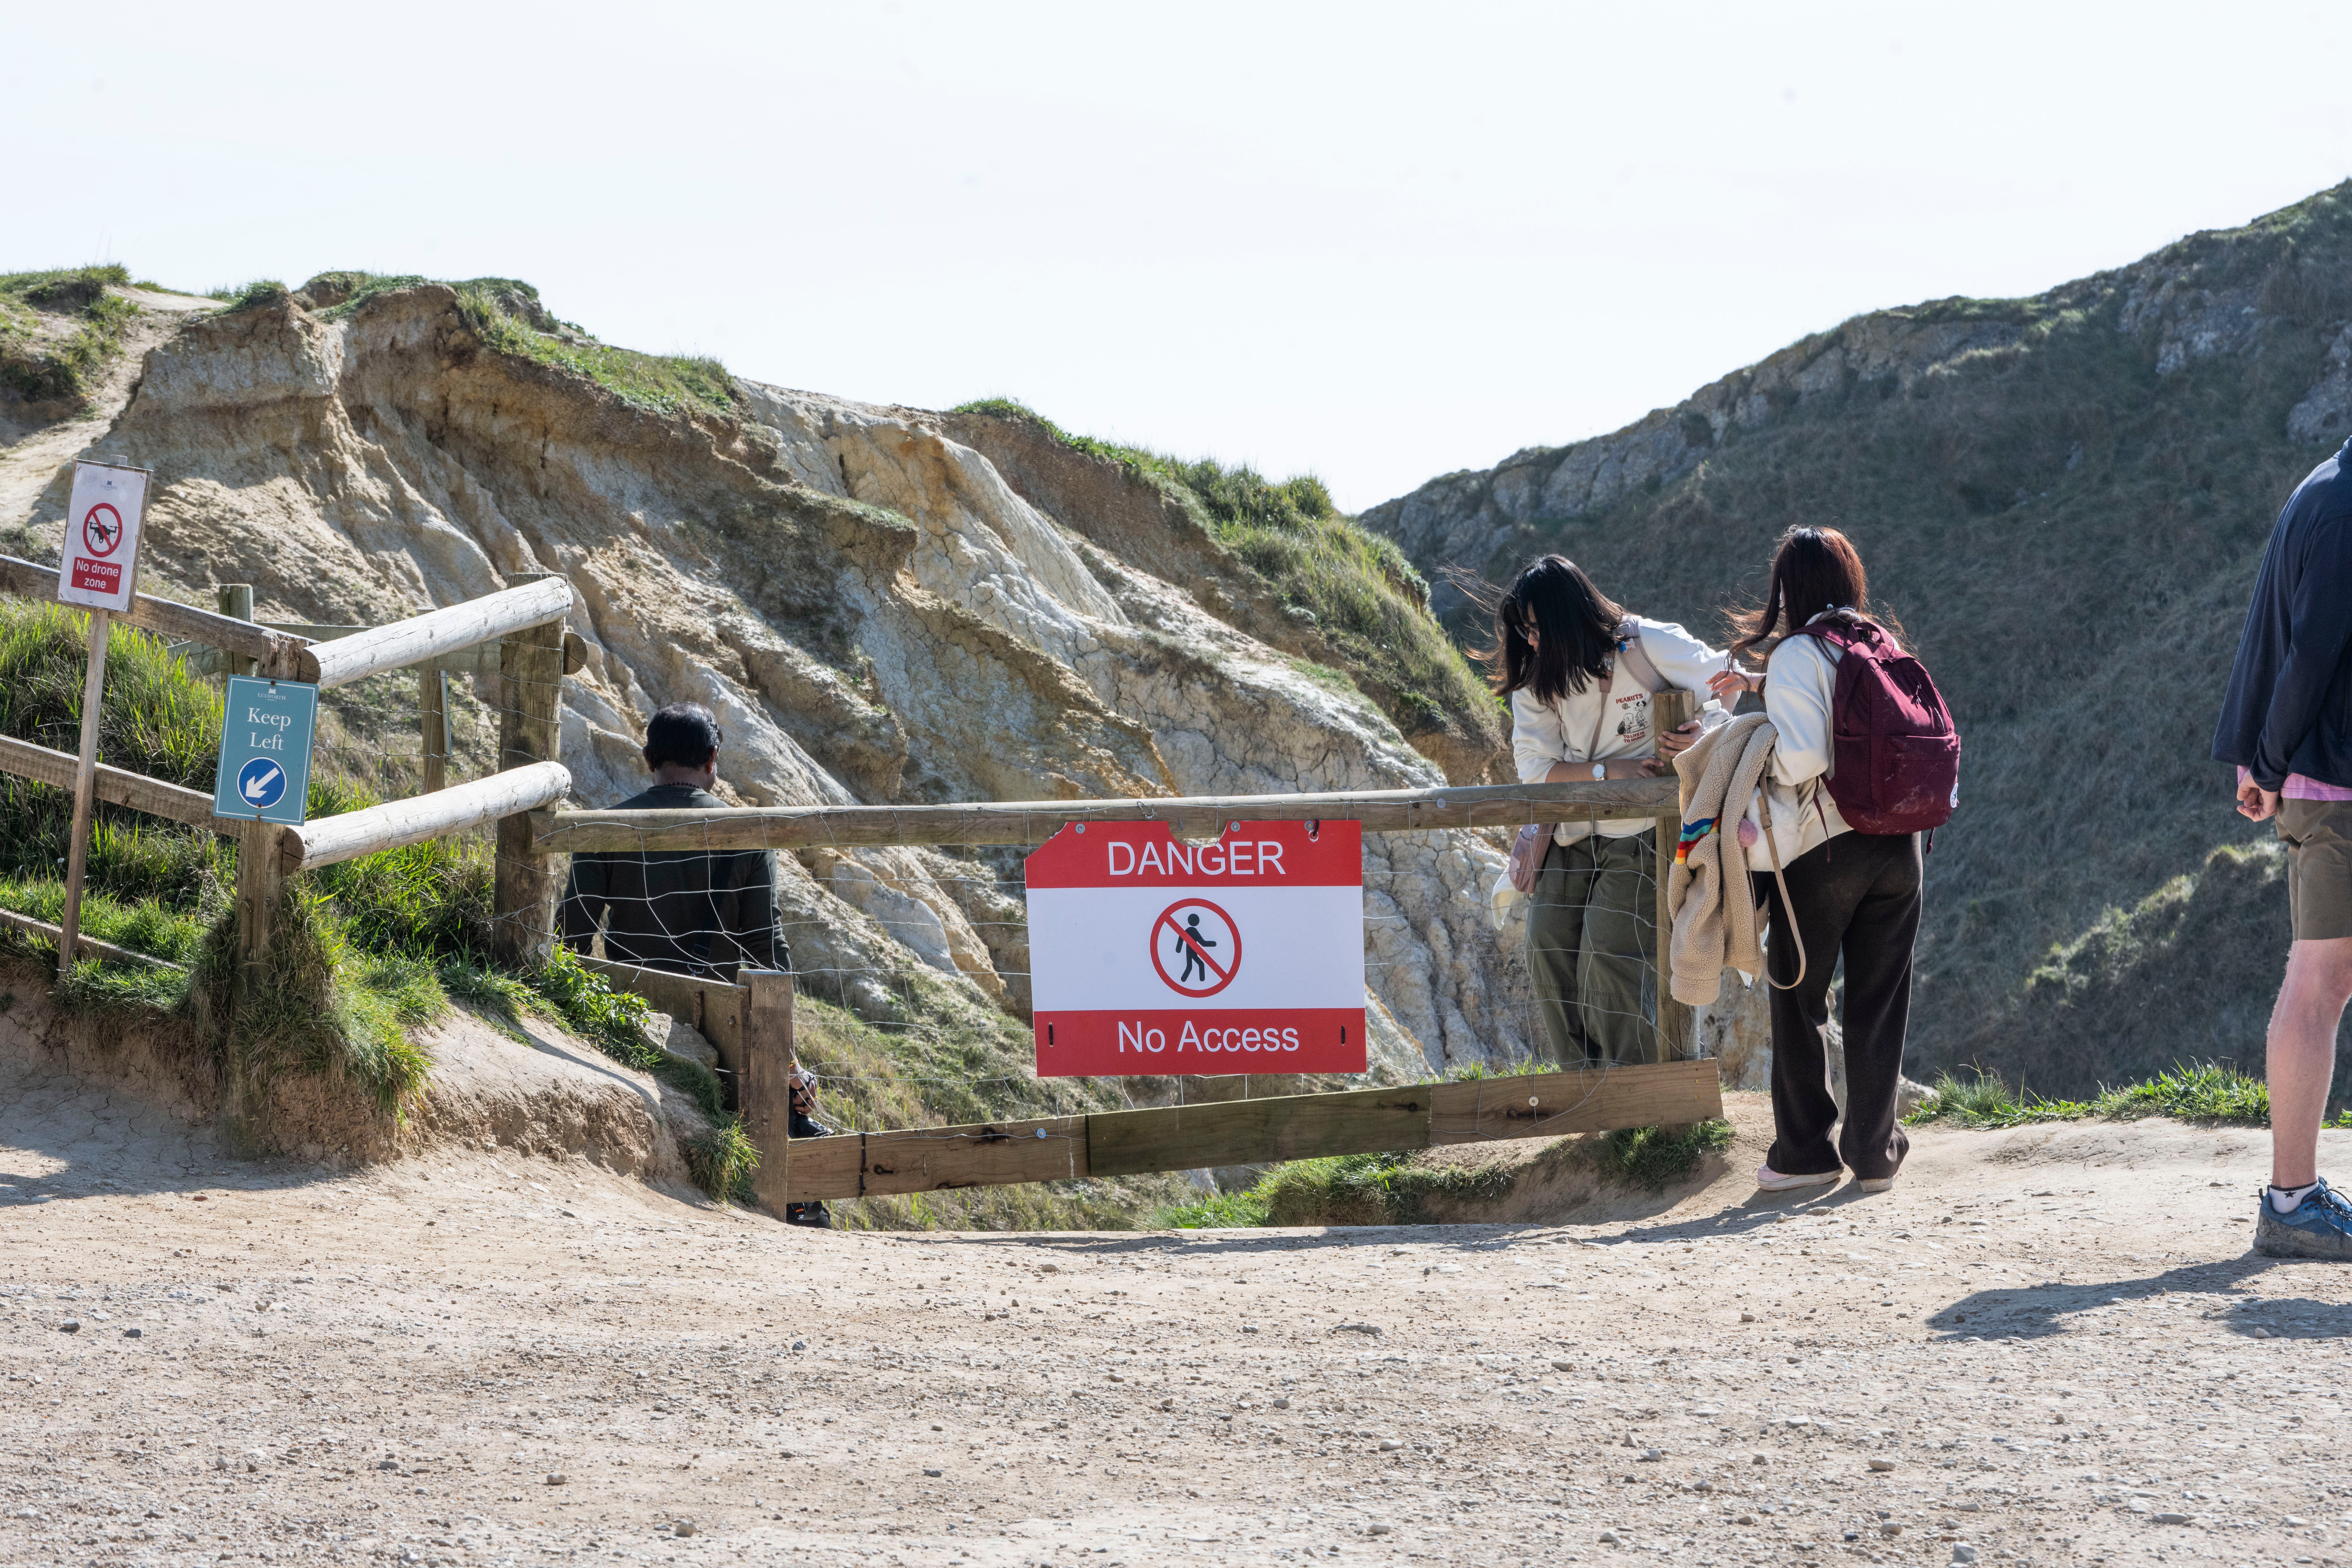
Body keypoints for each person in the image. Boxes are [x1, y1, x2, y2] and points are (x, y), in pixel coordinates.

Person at [1707, 527, 1920, 1195]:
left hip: (1826, 850)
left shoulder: (1801, 650)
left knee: (1799, 997)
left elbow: (1804, 757)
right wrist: (1761, 683)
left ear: (1788, 589)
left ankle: (1805, 1155)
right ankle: (1876, 1153)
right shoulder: (1880, 643)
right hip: (1902, 846)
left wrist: (1748, 752)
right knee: (1878, 1002)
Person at [1485, 555, 1722, 1065]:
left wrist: (1702, 733)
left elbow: (1724, 683)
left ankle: (1630, 1092)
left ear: (1568, 617)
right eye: (1524, 630)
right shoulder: (1535, 676)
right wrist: (1608, 771)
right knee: (1545, 949)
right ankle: (1583, 1086)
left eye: (1537, 628)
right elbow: (1534, 771)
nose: (1531, 641)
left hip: (1644, 832)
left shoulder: (1648, 644)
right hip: (1568, 833)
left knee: (1609, 958)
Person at [2213, 436, 2352, 1259]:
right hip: (2333, 784)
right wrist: (2267, 762)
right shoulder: (2343, 509)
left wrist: (2261, 759)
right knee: (2320, 979)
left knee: (2327, 977)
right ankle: (2291, 1201)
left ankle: (2294, 1196)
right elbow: (2310, 651)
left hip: (2320, 774)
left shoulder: (2325, 487)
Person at [559, 702, 789, 978]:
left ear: (647, 758)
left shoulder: (601, 828)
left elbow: (571, 937)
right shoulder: (750, 833)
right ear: (712, 758)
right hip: (717, 1003)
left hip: (624, 999)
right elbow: (765, 944)